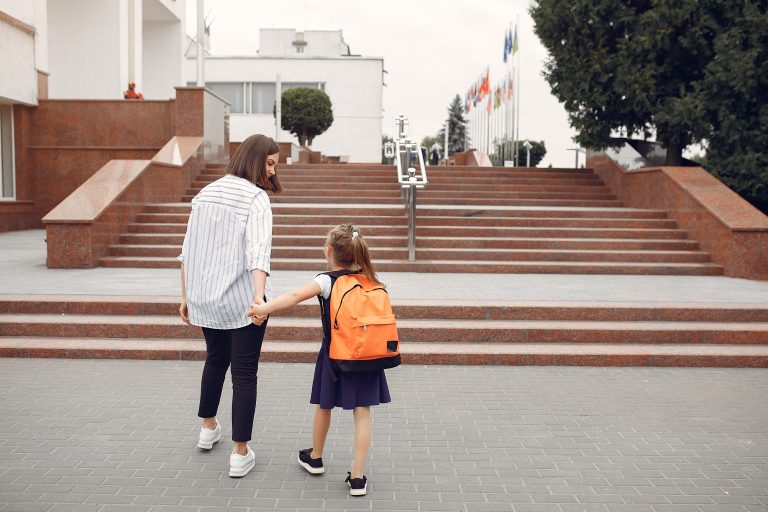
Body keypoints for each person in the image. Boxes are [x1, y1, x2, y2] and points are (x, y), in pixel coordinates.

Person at [247, 224, 391, 497]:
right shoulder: (370, 280)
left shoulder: (327, 280)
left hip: (335, 354)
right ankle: (357, 478)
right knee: (362, 413)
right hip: (368, 355)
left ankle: (316, 457)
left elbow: (294, 297)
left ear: (329, 251)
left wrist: (263, 308)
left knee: (324, 405)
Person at [178, 134, 282, 478]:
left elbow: (187, 251)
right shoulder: (255, 199)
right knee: (244, 372)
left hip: (205, 297)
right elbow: (258, 253)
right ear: (253, 159)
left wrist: (186, 296)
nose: (270, 172)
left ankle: (208, 429)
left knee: (215, 360)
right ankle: (240, 452)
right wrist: (259, 299)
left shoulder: (204, 194)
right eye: (268, 163)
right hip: (240, 300)